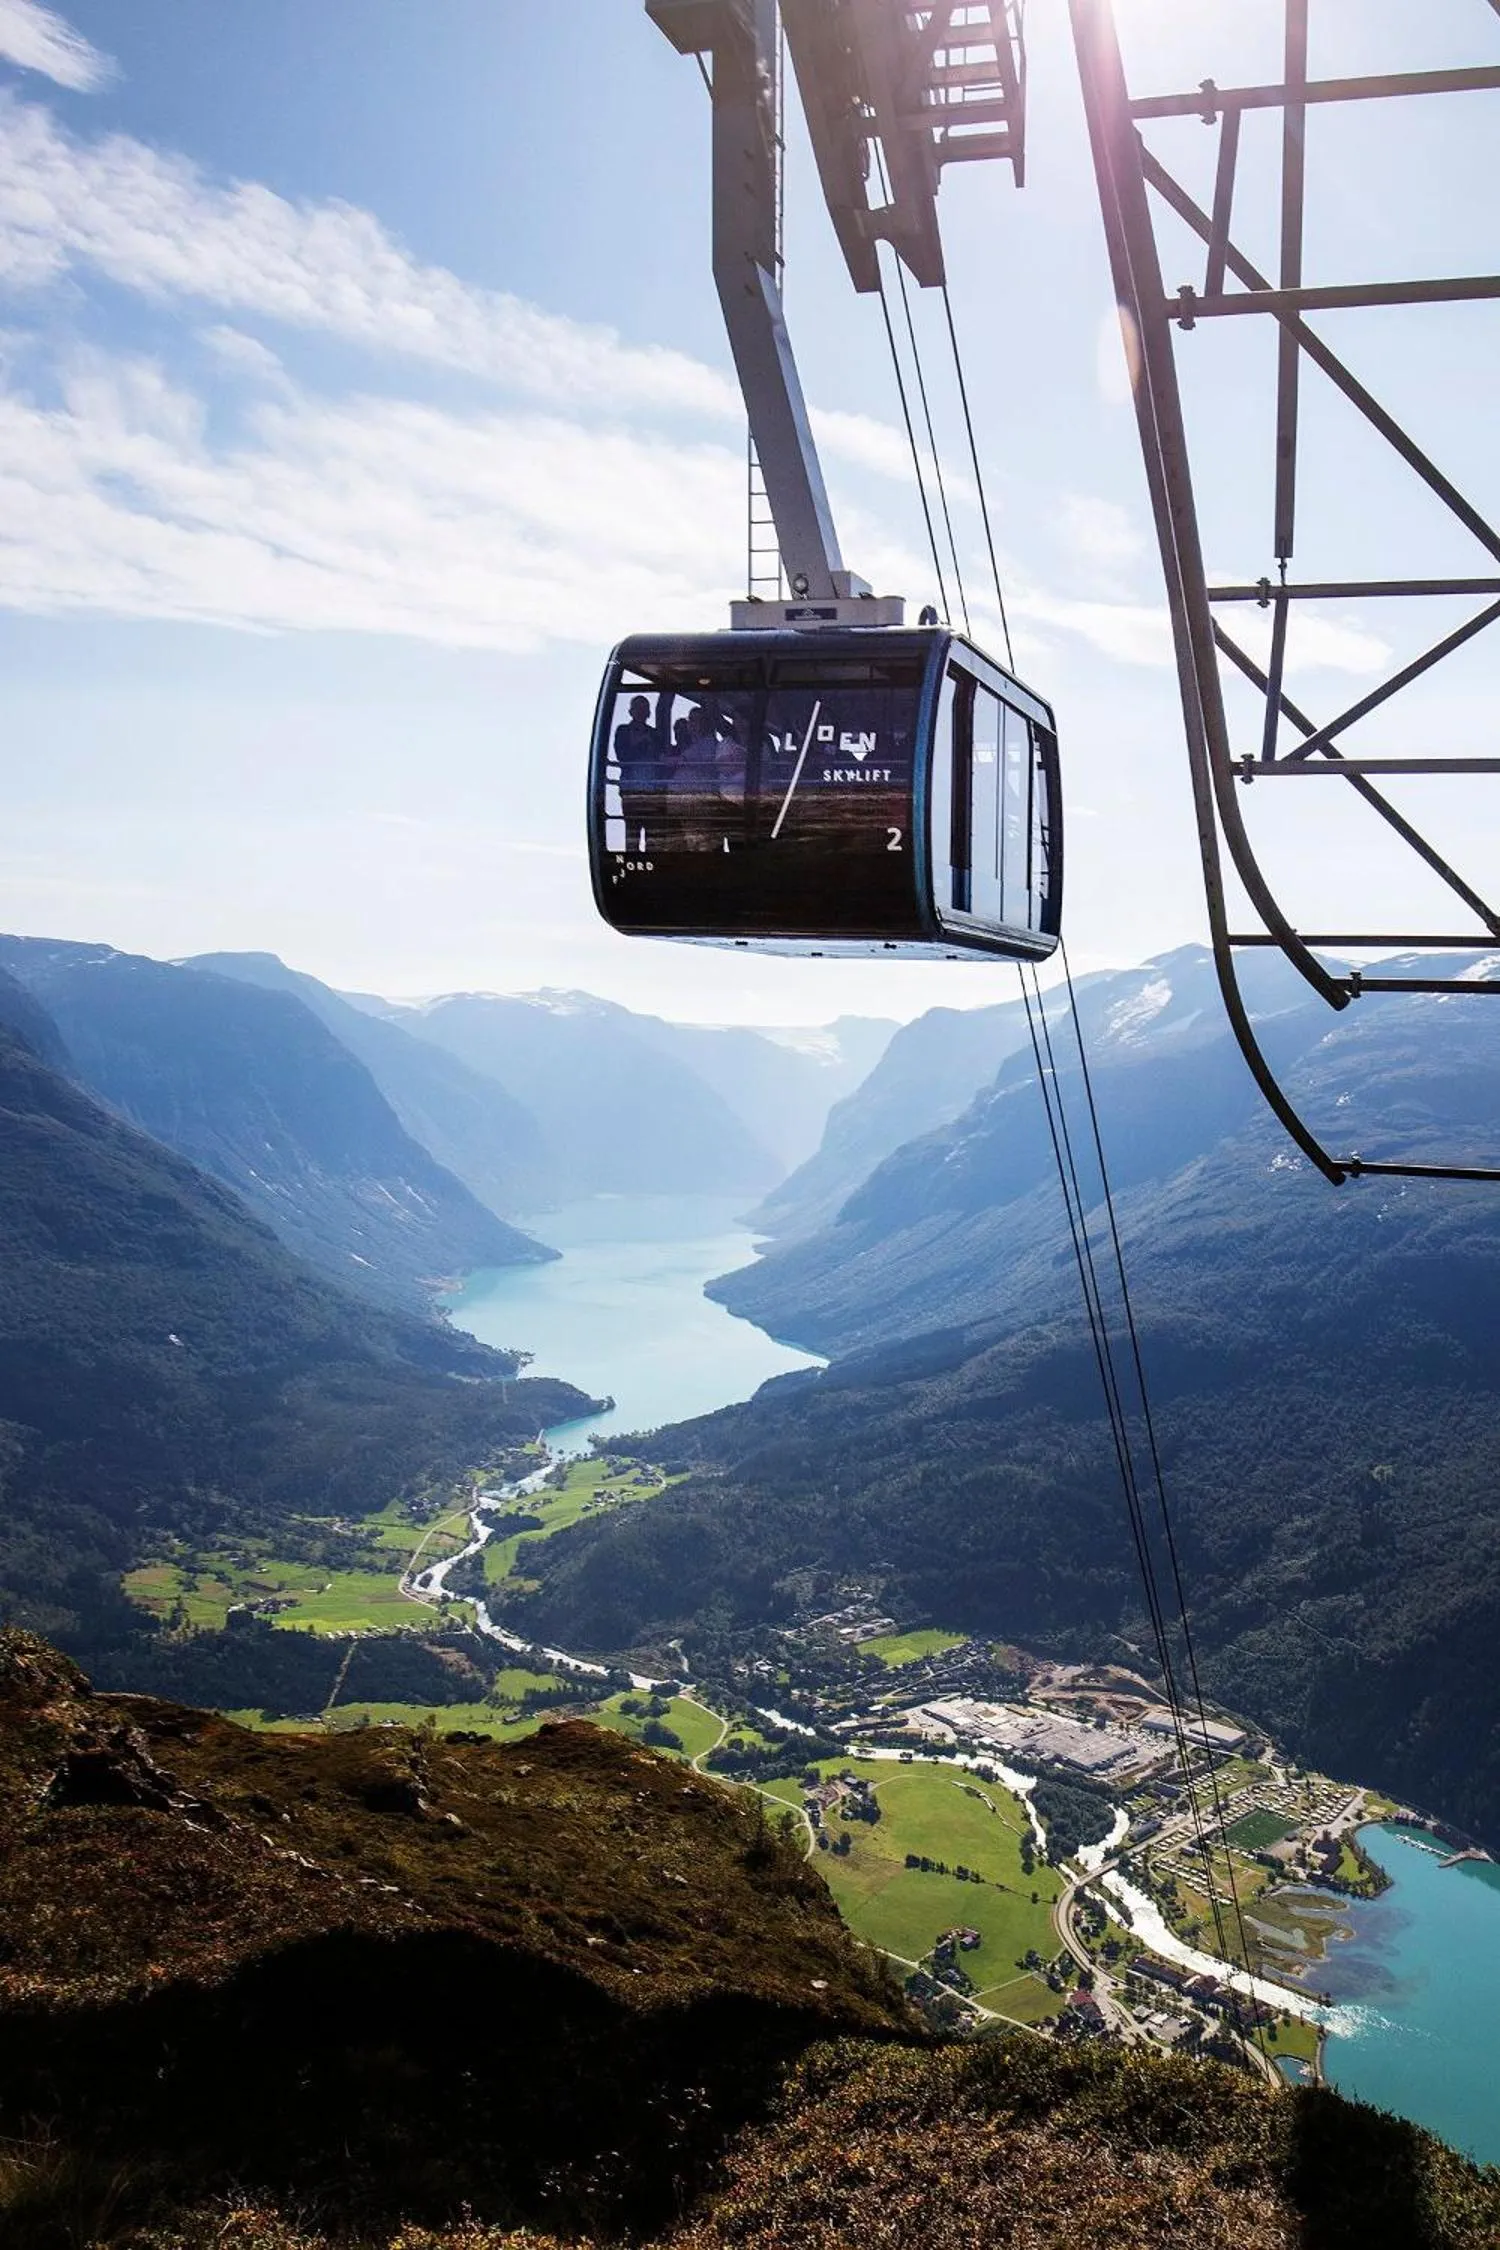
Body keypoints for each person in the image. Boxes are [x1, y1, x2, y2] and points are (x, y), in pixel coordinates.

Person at [612, 693, 662, 850]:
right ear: (631, 712)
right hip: (631, 790)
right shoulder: (623, 731)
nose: (641, 712)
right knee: (632, 835)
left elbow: (660, 758)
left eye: (644, 708)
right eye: (638, 708)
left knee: (652, 836)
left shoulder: (655, 734)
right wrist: (641, 744)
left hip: (652, 791)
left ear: (648, 713)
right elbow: (623, 756)